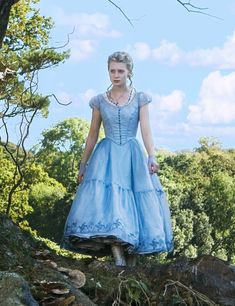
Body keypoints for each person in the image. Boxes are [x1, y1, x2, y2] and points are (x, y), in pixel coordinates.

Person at [61, 51, 173, 266]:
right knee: (111, 204)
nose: (116, 74)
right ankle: (117, 256)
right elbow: (92, 133)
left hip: (132, 155)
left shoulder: (140, 98)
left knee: (134, 203)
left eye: (120, 71)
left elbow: (146, 130)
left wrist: (152, 155)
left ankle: (129, 259)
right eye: (112, 70)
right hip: (107, 157)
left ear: (129, 72)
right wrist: (83, 164)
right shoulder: (99, 101)